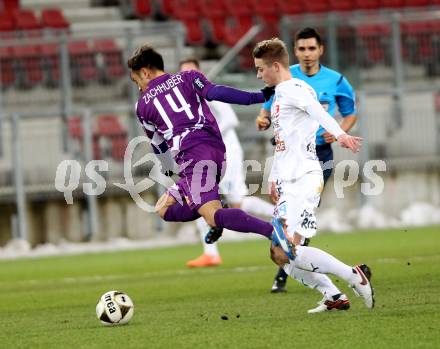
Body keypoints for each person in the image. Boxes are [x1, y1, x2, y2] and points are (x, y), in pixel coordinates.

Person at [252, 37, 374, 312]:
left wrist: (341, 134)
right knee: (279, 252)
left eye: (260, 69)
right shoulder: (280, 93)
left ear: (274, 66)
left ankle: (353, 275)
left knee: (290, 249)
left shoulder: (295, 88)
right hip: (288, 179)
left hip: (304, 178)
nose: (259, 74)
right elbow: (283, 142)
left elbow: (317, 111)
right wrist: (274, 176)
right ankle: (333, 295)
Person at [127, 44, 277, 250]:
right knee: (163, 208)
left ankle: (272, 231)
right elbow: (216, 92)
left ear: (145, 72)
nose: (139, 88)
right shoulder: (188, 77)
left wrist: (169, 170)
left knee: (213, 216)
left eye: (137, 81)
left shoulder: (143, 105)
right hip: (216, 151)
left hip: (194, 158)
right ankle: (216, 209)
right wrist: (259, 96)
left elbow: (158, 145)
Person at [179, 58, 274, 268]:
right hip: (208, 153)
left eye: (190, 70)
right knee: (201, 199)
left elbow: (231, 120)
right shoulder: (187, 98)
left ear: (199, 71)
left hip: (226, 152)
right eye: (183, 71)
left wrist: (208, 135)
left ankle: (281, 217)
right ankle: (210, 253)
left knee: (236, 202)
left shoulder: (207, 90)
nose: (186, 75)